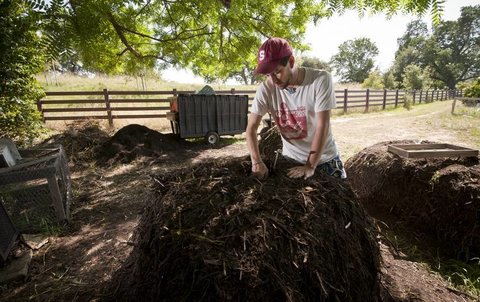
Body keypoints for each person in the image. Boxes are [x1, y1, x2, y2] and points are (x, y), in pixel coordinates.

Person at [246, 37, 347, 180]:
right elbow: (251, 128)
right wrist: (256, 162)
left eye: (277, 72)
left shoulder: (320, 80)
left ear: (291, 62)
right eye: (268, 75)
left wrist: (310, 166)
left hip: (324, 160)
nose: (273, 81)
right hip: (290, 161)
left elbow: (322, 125)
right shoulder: (266, 89)